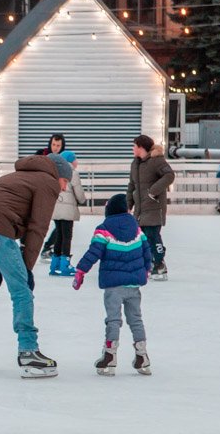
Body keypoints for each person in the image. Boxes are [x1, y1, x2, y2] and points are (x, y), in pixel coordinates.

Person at [0, 152, 68, 378]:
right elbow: (38, 227)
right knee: (21, 288)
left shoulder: (22, 175)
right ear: (59, 176)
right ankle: (28, 350)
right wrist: (27, 269)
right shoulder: (48, 182)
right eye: (66, 181)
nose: (64, 188)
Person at [72, 193, 153, 376]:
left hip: (114, 286)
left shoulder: (104, 229)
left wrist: (81, 270)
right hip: (134, 285)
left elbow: (93, 252)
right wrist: (146, 270)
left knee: (113, 320)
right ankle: (142, 356)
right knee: (136, 319)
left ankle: (110, 355)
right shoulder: (136, 228)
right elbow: (146, 251)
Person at [127, 134, 174, 279]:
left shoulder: (156, 161)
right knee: (143, 239)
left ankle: (160, 265)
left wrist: (153, 191)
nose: (132, 149)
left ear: (141, 147)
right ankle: (150, 264)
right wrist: (128, 205)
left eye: (134, 146)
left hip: (154, 207)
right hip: (140, 209)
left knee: (153, 237)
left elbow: (169, 175)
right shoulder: (135, 164)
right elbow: (132, 186)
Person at [48, 149, 86, 276]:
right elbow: (78, 192)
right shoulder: (72, 173)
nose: (76, 161)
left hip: (56, 208)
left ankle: (54, 265)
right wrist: (82, 200)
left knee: (59, 235)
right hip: (68, 210)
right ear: (70, 161)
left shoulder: (55, 172)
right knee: (67, 236)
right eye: (75, 159)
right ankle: (65, 265)